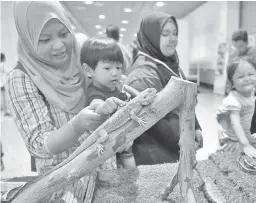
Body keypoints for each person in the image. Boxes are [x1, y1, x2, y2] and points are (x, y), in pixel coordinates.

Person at [9, 3, 125, 201]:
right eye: (44, 39)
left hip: (106, 172)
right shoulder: (22, 77)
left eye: (64, 34)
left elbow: (105, 89)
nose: (59, 46)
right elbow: (38, 145)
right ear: (28, 40)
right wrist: (77, 126)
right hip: (65, 185)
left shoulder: (80, 58)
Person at [124, 11, 203, 165]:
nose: (173, 39)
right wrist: (183, 143)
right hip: (155, 152)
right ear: (151, 37)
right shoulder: (143, 73)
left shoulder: (170, 65)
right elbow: (155, 120)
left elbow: (185, 100)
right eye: (165, 34)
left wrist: (196, 127)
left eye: (175, 33)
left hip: (175, 145)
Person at [80, 36, 135, 168]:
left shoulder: (115, 87)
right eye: (107, 68)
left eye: (118, 67)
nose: (115, 73)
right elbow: (97, 105)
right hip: (108, 152)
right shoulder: (94, 92)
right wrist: (103, 106)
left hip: (125, 143)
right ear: (88, 70)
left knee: (131, 174)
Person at [216, 56, 256, 158]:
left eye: (251, 74)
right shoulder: (233, 101)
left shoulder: (251, 92)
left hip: (244, 133)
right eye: (240, 77)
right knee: (230, 160)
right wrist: (246, 145)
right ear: (232, 84)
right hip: (231, 138)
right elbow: (236, 124)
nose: (247, 79)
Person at [225, 30, 256, 95]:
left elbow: (253, 73)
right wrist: (229, 91)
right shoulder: (234, 54)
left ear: (247, 42)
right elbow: (229, 74)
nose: (238, 50)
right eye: (235, 47)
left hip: (255, 89)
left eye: (241, 46)